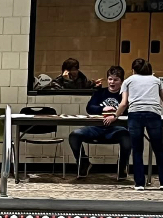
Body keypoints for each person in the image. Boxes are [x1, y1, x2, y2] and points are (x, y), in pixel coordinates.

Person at [104, 58, 163, 191]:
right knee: (159, 149)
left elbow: (124, 103)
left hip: (135, 115)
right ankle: (162, 182)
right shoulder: (156, 80)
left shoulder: (128, 81)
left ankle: (139, 184)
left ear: (133, 70)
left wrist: (115, 116)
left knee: (137, 150)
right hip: (153, 115)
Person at [69, 66, 132, 179]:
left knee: (127, 137)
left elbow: (129, 110)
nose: (112, 82)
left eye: (116, 79)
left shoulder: (124, 95)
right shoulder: (100, 92)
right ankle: (83, 162)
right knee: (75, 135)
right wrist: (102, 109)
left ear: (122, 81)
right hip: (96, 128)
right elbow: (89, 108)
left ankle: (122, 166)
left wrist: (116, 113)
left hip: (116, 129)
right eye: (110, 79)